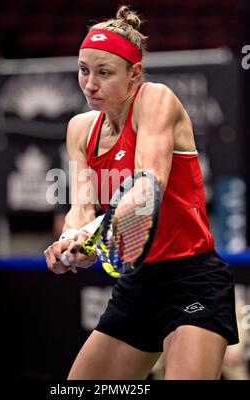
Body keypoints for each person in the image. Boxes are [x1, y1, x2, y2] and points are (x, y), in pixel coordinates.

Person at [44, 5, 239, 380]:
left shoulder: (155, 99)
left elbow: (147, 186)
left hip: (192, 280)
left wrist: (91, 235)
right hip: (136, 286)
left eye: (104, 73)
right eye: (84, 70)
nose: (90, 84)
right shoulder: (79, 129)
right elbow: (81, 207)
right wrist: (70, 244)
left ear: (134, 74)